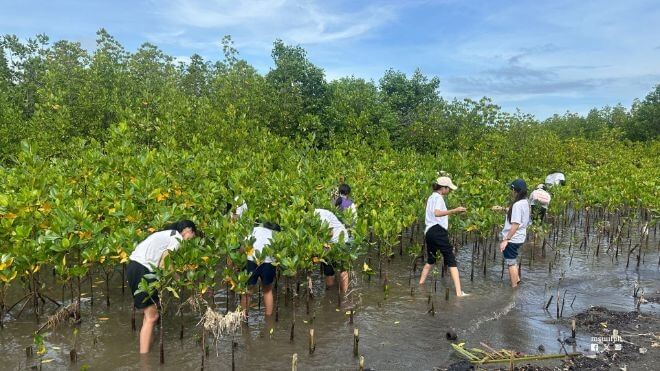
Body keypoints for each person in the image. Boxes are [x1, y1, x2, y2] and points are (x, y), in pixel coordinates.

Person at [127, 220, 197, 354]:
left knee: (149, 315)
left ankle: (148, 349)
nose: (191, 240)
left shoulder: (166, 234)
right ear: (188, 230)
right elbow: (165, 264)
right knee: (152, 317)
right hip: (143, 269)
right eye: (193, 236)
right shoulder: (176, 237)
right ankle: (144, 362)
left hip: (134, 267)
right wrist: (181, 281)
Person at [418, 176, 469, 297]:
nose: (450, 191)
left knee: (431, 260)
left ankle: (420, 284)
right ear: (443, 188)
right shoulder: (438, 198)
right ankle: (459, 293)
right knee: (451, 259)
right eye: (449, 188)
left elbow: (430, 212)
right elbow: (437, 213)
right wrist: (455, 210)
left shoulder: (431, 197)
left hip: (429, 231)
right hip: (437, 231)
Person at [241, 222, 280, 317]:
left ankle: (243, 317)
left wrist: (239, 261)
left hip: (251, 260)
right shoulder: (277, 234)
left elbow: (243, 247)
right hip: (268, 262)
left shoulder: (254, 230)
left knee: (248, 291)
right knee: (267, 290)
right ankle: (268, 318)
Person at [499, 179, 530, 288]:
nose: (510, 192)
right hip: (520, 237)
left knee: (511, 263)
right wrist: (502, 209)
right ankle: (517, 281)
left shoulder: (517, 204)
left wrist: (506, 240)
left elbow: (515, 224)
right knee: (513, 261)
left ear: (514, 190)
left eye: (511, 189)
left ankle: (514, 289)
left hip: (513, 238)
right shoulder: (526, 202)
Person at [315, 208, 351, 293]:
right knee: (328, 270)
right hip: (327, 243)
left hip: (340, 240)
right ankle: (329, 294)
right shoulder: (309, 219)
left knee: (343, 268)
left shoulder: (320, 214)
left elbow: (330, 233)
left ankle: (344, 294)